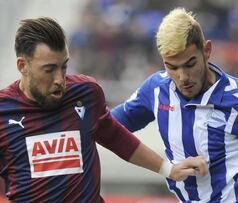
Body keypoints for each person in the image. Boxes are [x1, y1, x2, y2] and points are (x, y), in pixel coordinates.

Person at [112, 7, 238, 203]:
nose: (182, 77)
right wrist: (166, 168)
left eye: (190, 64)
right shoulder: (155, 90)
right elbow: (105, 127)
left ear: (207, 50)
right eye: (172, 67)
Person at [0, 17, 208, 202]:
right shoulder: (4, 111)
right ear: (22, 66)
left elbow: (116, 137)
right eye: (49, 70)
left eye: (63, 66)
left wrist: (169, 169)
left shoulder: (85, 94)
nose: (59, 79)